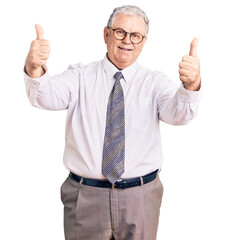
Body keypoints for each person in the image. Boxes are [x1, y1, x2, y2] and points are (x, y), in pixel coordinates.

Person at [24, 5, 201, 240]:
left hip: (141, 197)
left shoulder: (154, 82)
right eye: (120, 32)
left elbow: (180, 114)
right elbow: (43, 97)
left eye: (135, 35)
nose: (127, 40)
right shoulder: (79, 76)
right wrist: (34, 67)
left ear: (143, 41)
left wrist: (192, 84)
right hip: (85, 196)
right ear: (106, 34)